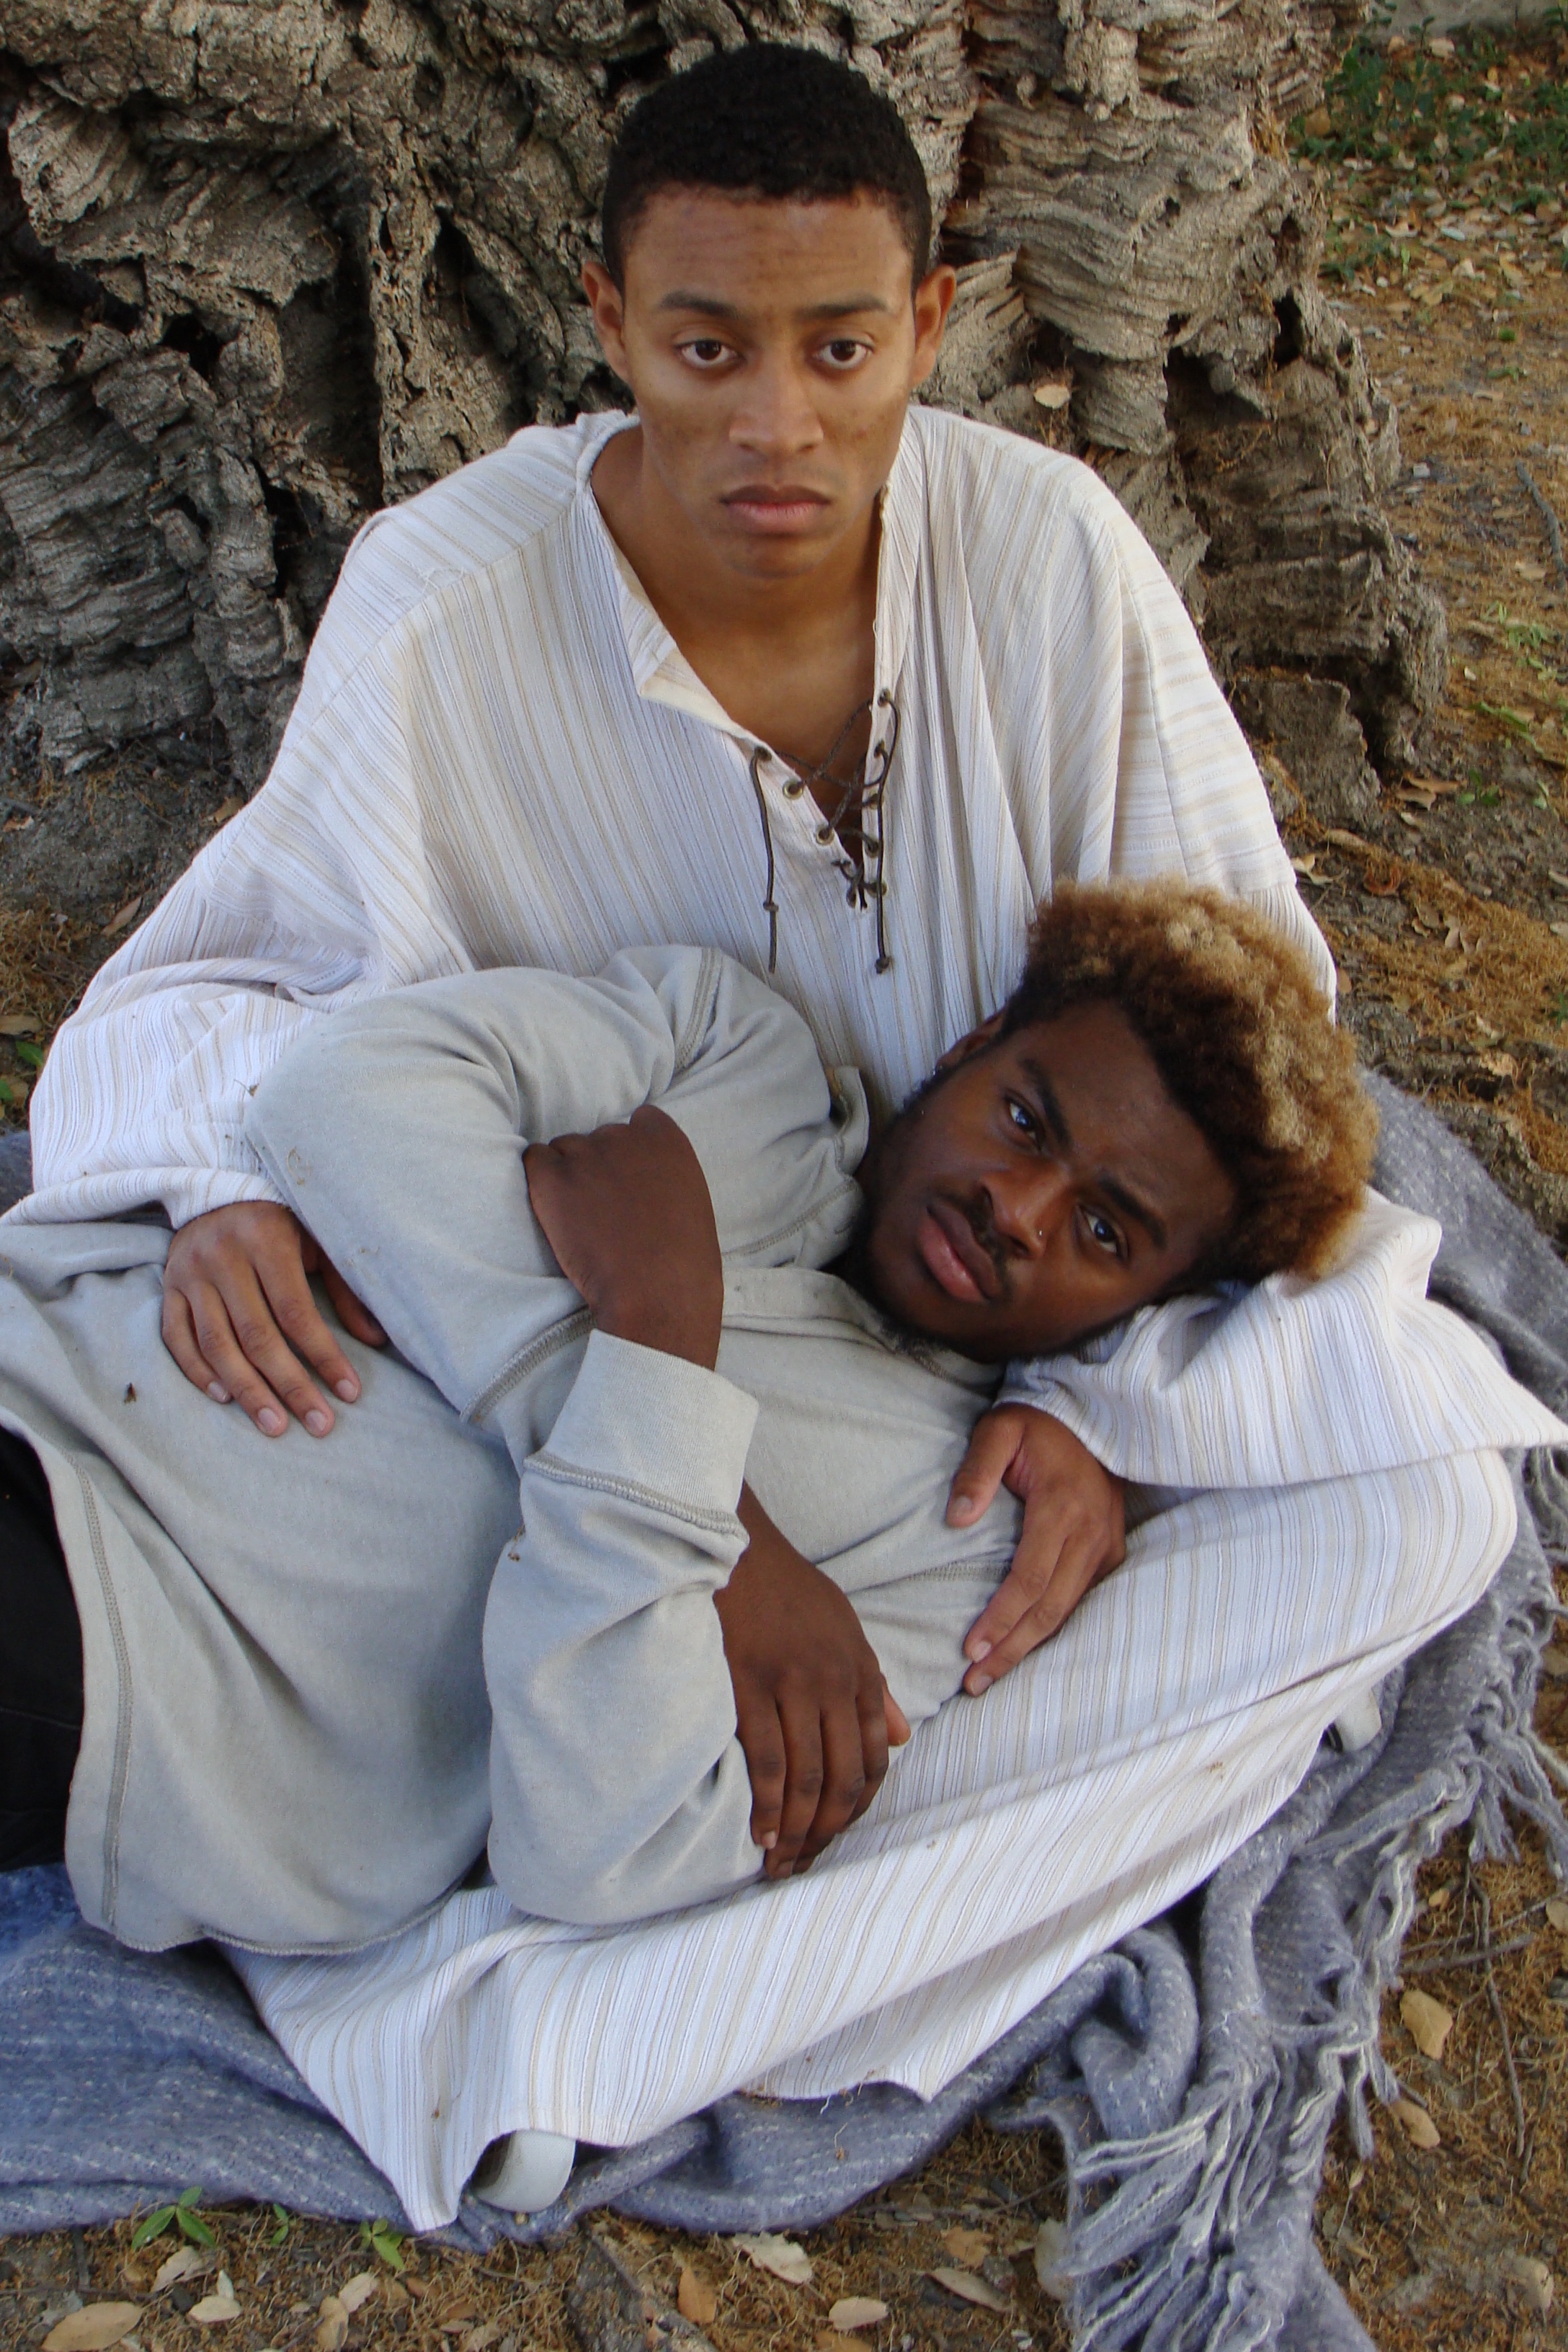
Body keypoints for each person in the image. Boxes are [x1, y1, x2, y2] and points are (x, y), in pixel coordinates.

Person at [13, 47, 1341, 1836]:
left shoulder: (1047, 564)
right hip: (501, 1269)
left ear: (929, 322)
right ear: (609, 321)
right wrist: (214, 1175)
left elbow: (1254, 1051)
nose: (775, 425)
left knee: (1410, 1504)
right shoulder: (446, 605)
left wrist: (1108, 1413)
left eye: (840, 351)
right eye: (707, 348)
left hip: (857, 1393)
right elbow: (239, 981)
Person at [1, 883, 1556, 1950]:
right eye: (1023, 1119)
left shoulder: (956, 1540)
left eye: (1104, 1232)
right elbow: (343, 1093)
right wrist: (694, 1499)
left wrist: (665, 1355)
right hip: (55, 1341)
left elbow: (609, 1846)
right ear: (960, 1054)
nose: (1015, 1209)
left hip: (141, 1648)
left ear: (1143, 1312)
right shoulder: (732, 1053)